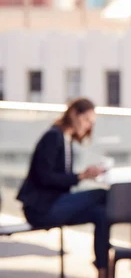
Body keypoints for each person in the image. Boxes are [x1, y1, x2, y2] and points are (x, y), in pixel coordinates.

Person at [17, 98, 109, 278]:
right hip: (40, 209)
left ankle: (103, 270)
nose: (88, 126)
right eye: (86, 120)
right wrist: (81, 176)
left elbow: (60, 179)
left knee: (100, 214)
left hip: (54, 204)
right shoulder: (53, 136)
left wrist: (82, 175)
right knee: (102, 195)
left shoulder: (66, 141)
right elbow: (45, 177)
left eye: (91, 123)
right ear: (74, 113)